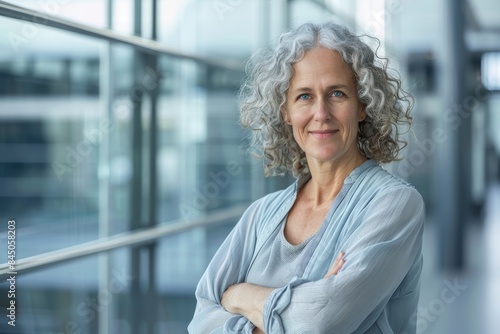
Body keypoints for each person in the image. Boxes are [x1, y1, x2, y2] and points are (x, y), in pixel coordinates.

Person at [188, 21, 424, 334]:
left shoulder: (395, 205)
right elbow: (201, 320)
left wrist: (238, 295)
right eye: (304, 96)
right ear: (285, 111)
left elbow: (320, 322)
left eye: (337, 94)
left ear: (363, 105)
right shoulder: (261, 215)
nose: (321, 113)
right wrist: (300, 307)